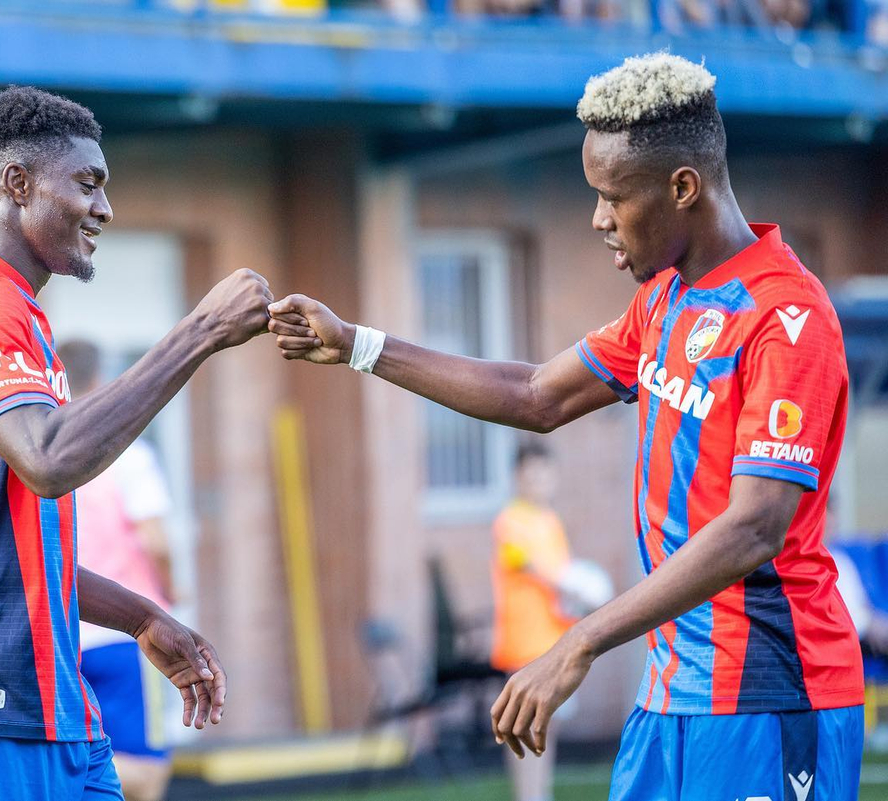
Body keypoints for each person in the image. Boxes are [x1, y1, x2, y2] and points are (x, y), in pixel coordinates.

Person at [269, 53, 864, 799]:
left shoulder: (788, 318)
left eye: (613, 197)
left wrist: (578, 640)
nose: (598, 220)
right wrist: (358, 344)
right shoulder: (663, 301)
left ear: (683, 188)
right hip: (671, 694)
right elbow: (535, 395)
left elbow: (753, 530)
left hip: (769, 694)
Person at [0, 86, 273, 799]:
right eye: (88, 183)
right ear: (17, 184)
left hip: (44, 696)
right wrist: (199, 332)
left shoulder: (6, 309)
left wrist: (142, 616)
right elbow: (49, 460)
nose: (104, 208)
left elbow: (10, 550)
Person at [61, 339, 181, 801]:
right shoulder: (127, 455)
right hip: (127, 634)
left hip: (66, 636)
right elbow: (155, 540)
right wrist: (172, 591)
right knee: (147, 775)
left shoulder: (44, 455)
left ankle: (56, 769)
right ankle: (51, 775)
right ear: (99, 382)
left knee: (90, 751)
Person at [490, 443, 574, 801]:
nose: (538, 480)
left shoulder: (551, 522)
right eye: (530, 473)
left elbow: (562, 582)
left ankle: (541, 793)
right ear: (517, 478)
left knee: (545, 726)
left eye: (544, 472)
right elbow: (529, 566)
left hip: (552, 639)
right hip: (524, 642)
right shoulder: (510, 522)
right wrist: (581, 586)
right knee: (524, 727)